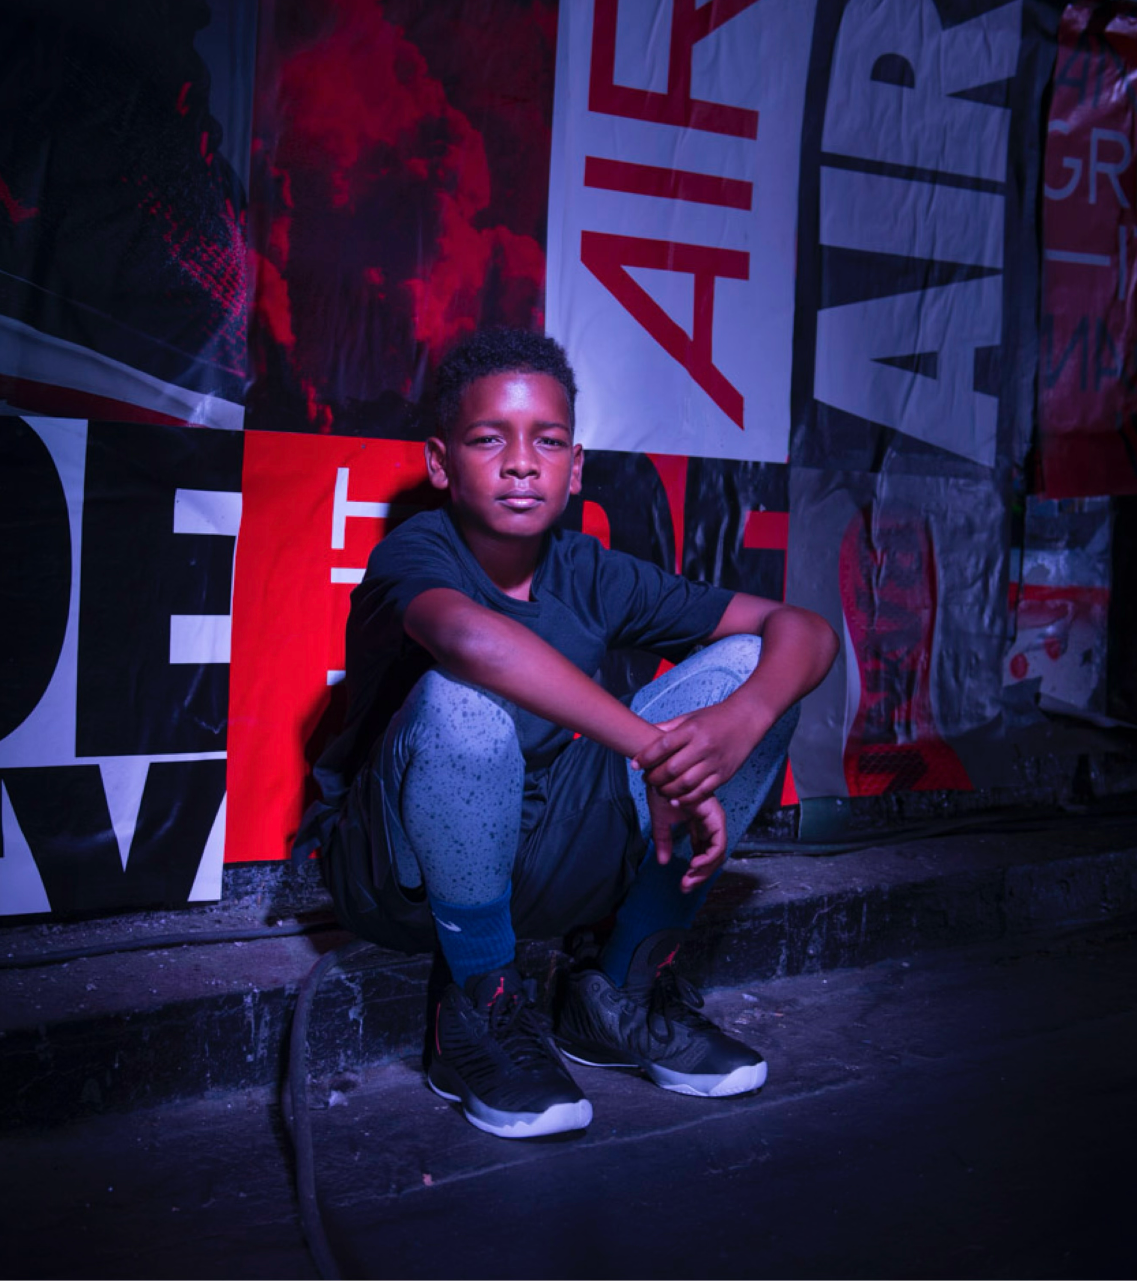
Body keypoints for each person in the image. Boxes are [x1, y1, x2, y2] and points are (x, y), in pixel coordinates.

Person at [300, 328, 837, 1138]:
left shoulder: (590, 569)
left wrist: (738, 721)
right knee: (463, 702)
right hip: (400, 875)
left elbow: (804, 629)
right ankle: (477, 1007)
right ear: (441, 464)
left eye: (546, 442)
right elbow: (475, 644)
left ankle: (615, 996)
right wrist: (651, 748)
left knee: (753, 667)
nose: (522, 463)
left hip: (546, 855)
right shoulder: (415, 553)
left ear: (575, 466)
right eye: (489, 440)